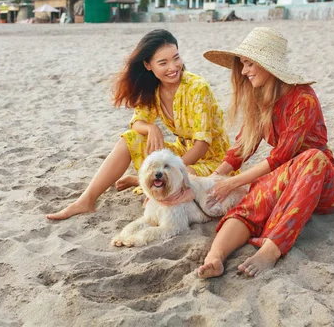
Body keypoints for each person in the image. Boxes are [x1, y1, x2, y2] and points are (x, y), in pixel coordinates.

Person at [197, 27, 334, 279]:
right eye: (242, 64)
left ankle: (272, 248)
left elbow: (281, 157)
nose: (244, 71)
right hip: (285, 178)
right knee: (253, 200)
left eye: (250, 63)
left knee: (311, 159)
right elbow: (242, 148)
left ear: (269, 65)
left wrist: (233, 182)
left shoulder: (303, 98)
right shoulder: (259, 97)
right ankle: (215, 257)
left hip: (319, 182)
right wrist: (215, 181)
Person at [47, 29, 231, 220]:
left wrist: (171, 170)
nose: (173, 67)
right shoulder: (153, 88)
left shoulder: (197, 87)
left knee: (188, 177)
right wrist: (151, 127)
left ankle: (143, 182)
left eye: (176, 58)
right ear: (148, 65)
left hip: (212, 160)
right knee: (130, 139)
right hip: (180, 153)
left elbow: (202, 145)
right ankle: (86, 200)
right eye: (163, 62)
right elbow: (137, 122)